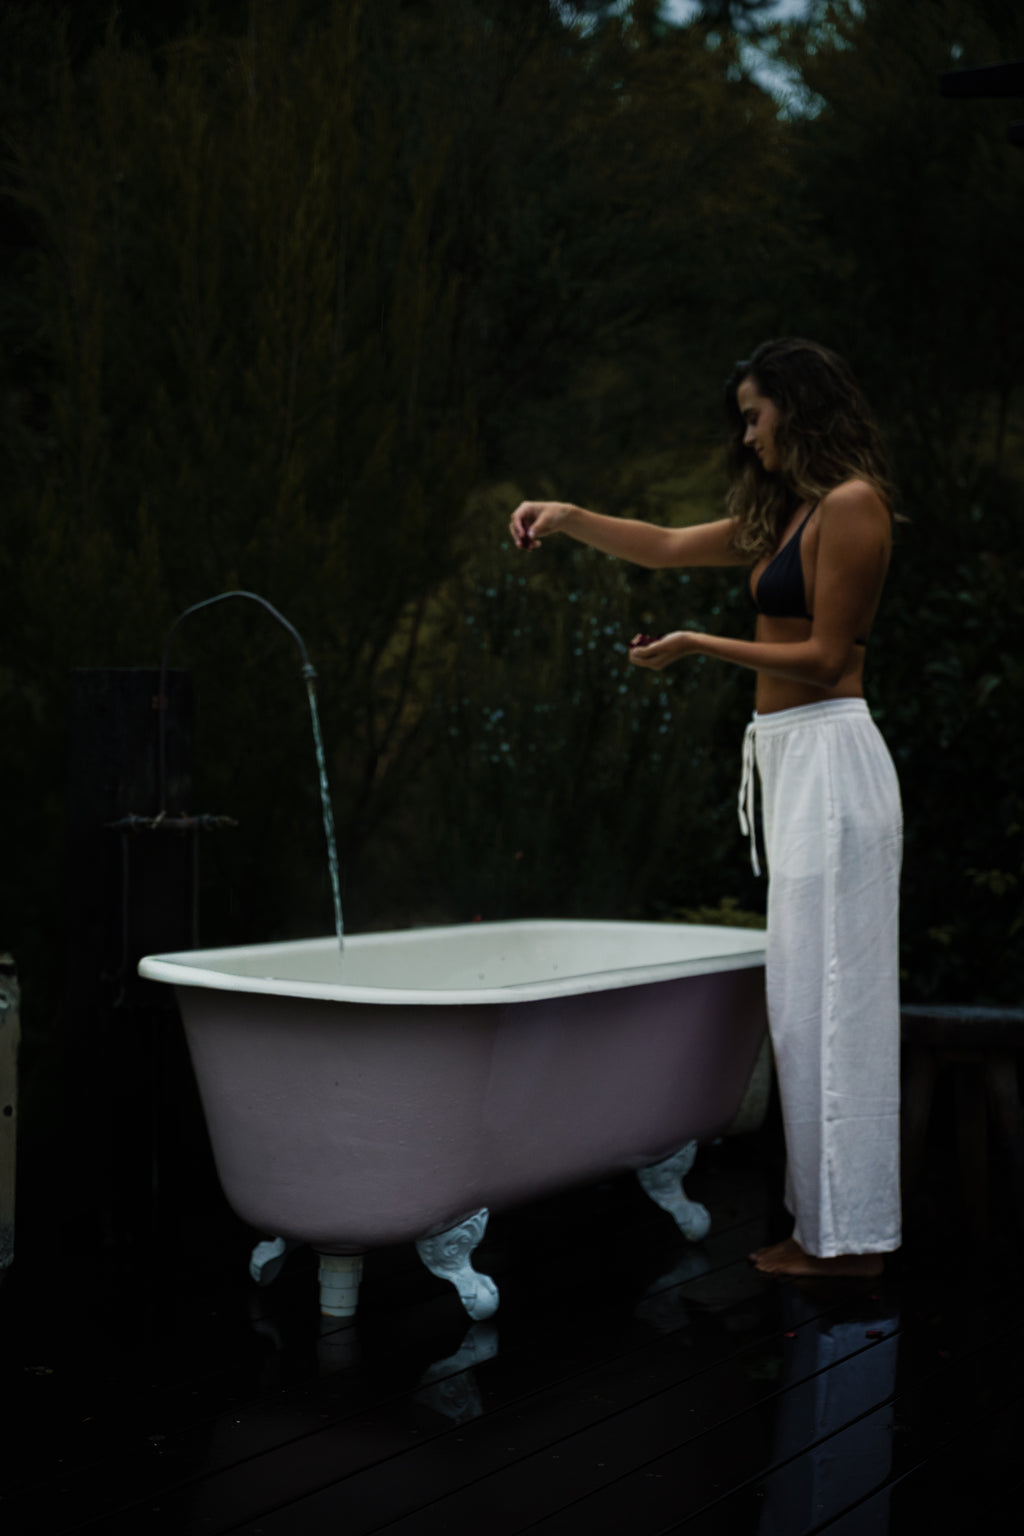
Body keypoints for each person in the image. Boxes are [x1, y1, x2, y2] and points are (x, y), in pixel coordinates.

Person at [508, 337, 902, 1280]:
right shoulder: (790, 511)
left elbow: (828, 660)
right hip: (792, 767)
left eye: (756, 414)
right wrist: (566, 516)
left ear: (798, 410)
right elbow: (670, 545)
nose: (747, 432)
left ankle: (849, 1244)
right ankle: (827, 1232)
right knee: (802, 1011)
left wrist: (699, 644)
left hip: (835, 765)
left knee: (838, 1006)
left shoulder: (853, 507)